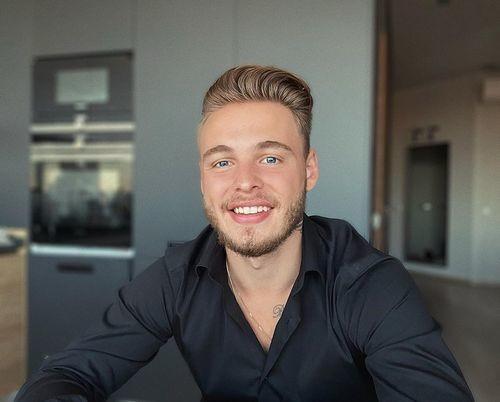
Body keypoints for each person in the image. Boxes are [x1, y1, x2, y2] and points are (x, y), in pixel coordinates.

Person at [16, 65, 474, 402]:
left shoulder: (370, 284)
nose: (245, 182)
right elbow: (66, 374)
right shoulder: (176, 278)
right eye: (222, 162)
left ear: (309, 169)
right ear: (203, 180)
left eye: (270, 158)